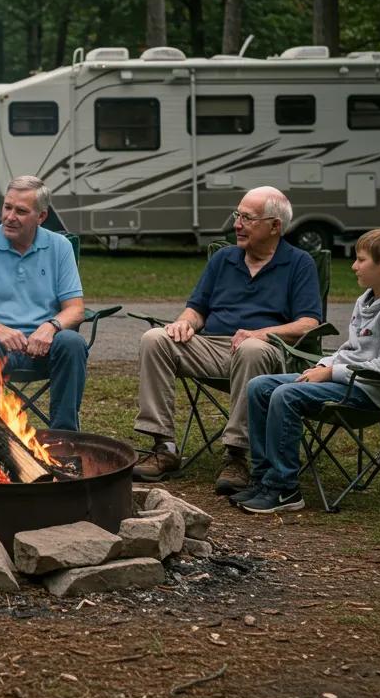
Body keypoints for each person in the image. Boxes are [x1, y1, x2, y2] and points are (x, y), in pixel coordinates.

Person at [134, 186, 322, 493]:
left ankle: (236, 455)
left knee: (250, 349)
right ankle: (163, 447)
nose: (237, 224)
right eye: (238, 215)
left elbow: (308, 322)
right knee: (155, 338)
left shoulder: (299, 263)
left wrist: (259, 334)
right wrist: (184, 323)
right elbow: (198, 309)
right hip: (213, 345)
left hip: (264, 351)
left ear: (275, 226)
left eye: (247, 218)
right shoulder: (224, 259)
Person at [238, 227, 380, 514]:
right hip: (350, 381)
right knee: (260, 386)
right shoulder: (368, 300)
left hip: (373, 392)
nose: (354, 266)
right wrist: (325, 363)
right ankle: (264, 479)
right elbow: (352, 348)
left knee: (286, 395)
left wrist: (331, 373)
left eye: (361, 260)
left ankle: (284, 488)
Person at [0, 176, 88, 431]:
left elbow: (75, 308)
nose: (10, 216)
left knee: (72, 342)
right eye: (7, 207)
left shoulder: (59, 247)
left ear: (41, 216)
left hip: (44, 348)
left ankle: (64, 438)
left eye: (21, 211)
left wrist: (51, 327)